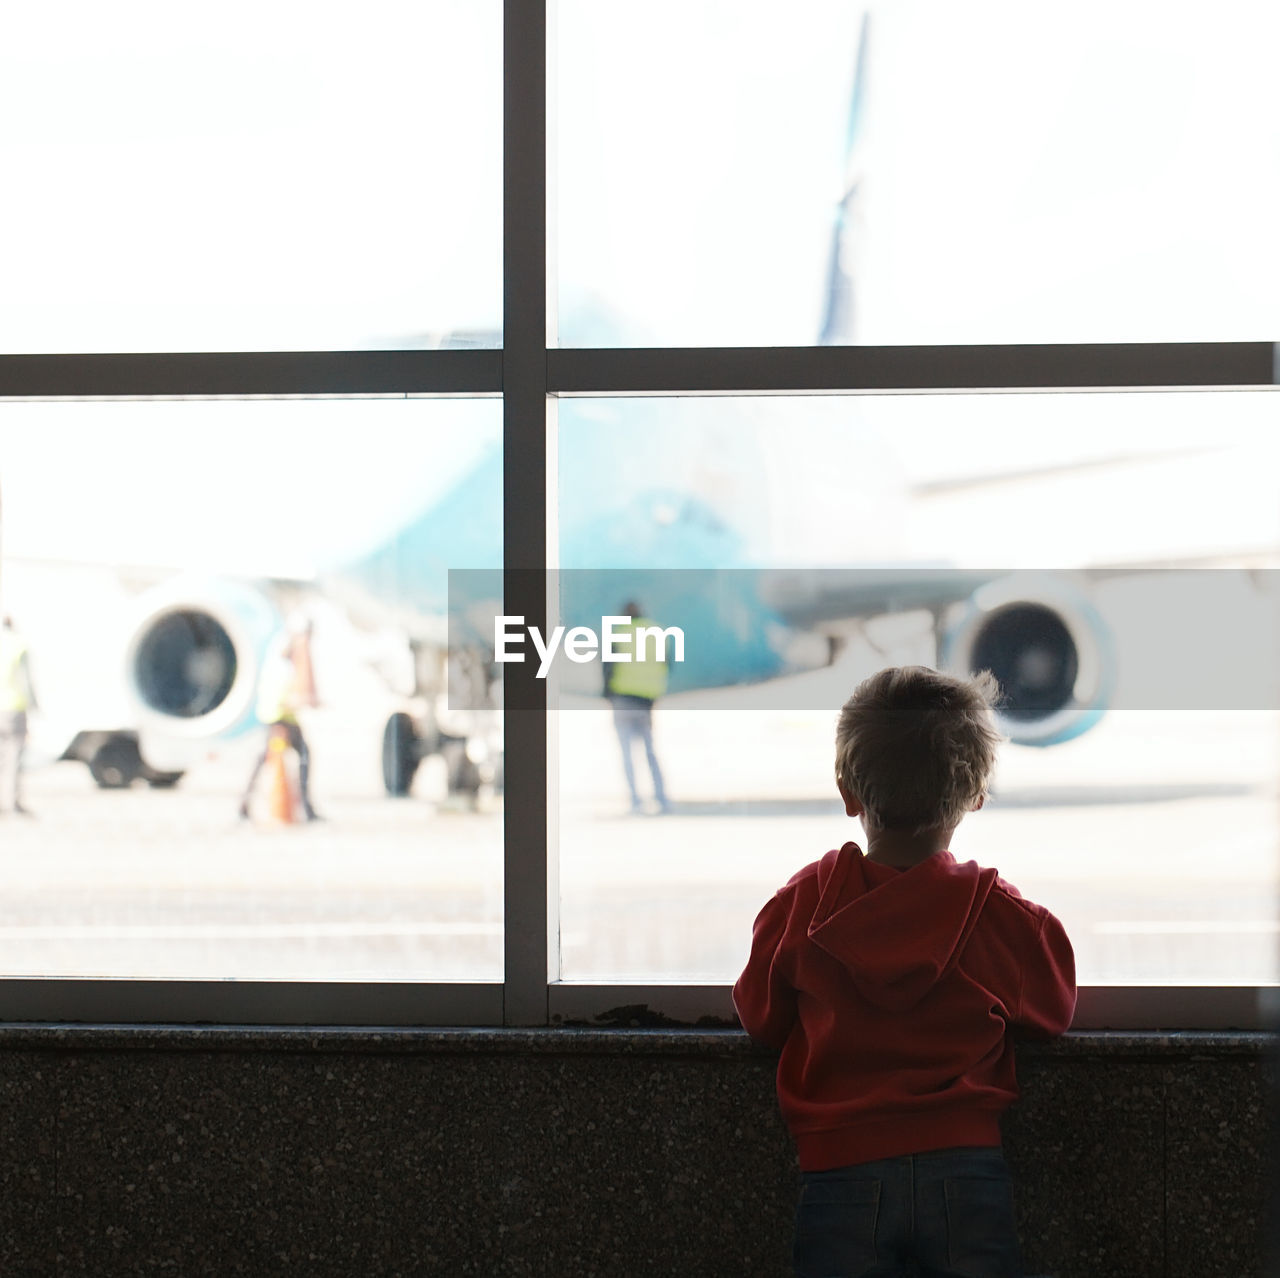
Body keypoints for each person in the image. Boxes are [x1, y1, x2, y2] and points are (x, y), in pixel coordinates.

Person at [733, 665, 1075, 1278]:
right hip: (966, 1168)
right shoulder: (998, 915)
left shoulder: (802, 907)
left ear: (848, 790)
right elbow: (1053, 1011)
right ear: (975, 795)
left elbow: (760, 1018)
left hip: (839, 1169)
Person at [239, 618, 321, 822]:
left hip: (280, 715)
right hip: (278, 717)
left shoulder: (283, 655)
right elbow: (285, 690)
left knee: (269, 759)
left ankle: (245, 807)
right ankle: (303, 808)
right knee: (296, 756)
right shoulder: (284, 659)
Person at [603, 600, 669, 814]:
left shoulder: (618, 633)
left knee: (627, 753)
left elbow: (608, 667)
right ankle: (662, 798)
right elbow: (666, 663)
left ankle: (635, 801)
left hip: (622, 697)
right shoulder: (657, 632)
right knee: (650, 751)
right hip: (647, 699)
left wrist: (607, 694)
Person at [0, 616, 37, 816]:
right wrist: (35, 706)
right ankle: (10, 802)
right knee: (13, 757)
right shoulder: (17, 646)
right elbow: (26, 680)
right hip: (13, 708)